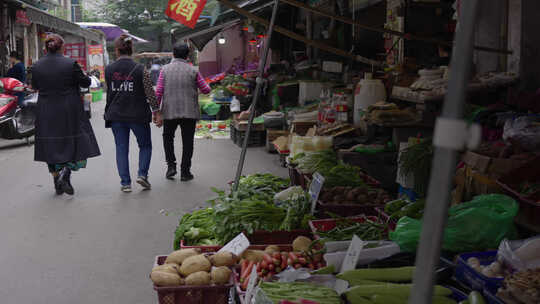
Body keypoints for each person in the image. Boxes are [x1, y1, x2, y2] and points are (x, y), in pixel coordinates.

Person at [31, 34, 101, 195]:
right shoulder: (71, 64)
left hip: (46, 110)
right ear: (62, 47)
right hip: (69, 109)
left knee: (50, 145)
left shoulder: (37, 66)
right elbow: (85, 82)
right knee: (73, 142)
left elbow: (35, 86)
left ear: (45, 48)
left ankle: (57, 180)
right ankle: (65, 173)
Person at [104, 34, 161, 193]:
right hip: (137, 114)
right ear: (131, 50)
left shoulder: (108, 70)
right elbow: (150, 92)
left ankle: (125, 183)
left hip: (116, 115)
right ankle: (142, 175)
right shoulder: (140, 69)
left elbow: (109, 91)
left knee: (121, 148)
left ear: (116, 50)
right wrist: (156, 111)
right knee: (145, 145)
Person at [155, 42, 211, 181]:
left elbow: (158, 92)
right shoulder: (193, 70)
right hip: (189, 112)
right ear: (187, 55)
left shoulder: (165, 70)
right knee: (188, 141)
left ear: (173, 54)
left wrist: (156, 112)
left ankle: (171, 167)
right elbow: (206, 90)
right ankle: (185, 172)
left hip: (169, 111)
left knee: (168, 138)